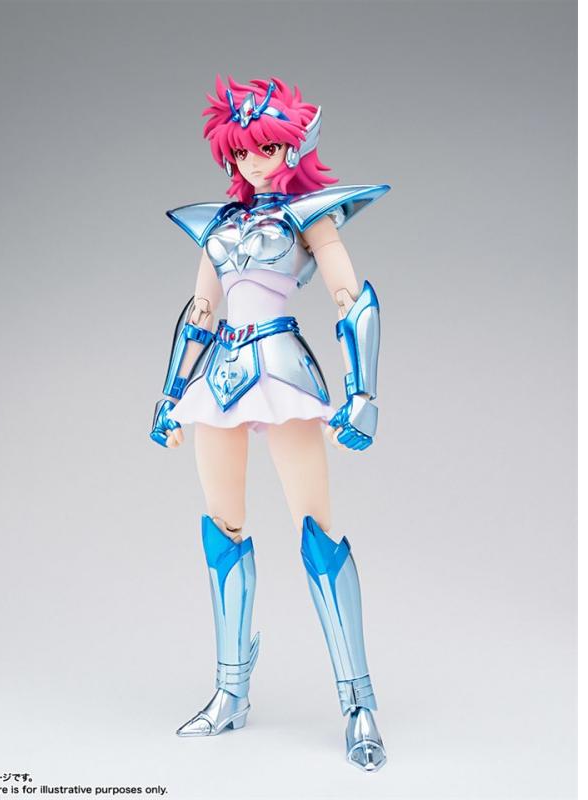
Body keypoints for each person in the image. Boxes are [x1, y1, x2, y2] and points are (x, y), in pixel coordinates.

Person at [150, 76, 389, 772]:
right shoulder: (219, 225)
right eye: (245, 150)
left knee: (318, 535)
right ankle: (231, 693)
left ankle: (359, 704)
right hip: (220, 377)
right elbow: (200, 312)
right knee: (221, 531)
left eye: (270, 147)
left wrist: (363, 393)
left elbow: (352, 298)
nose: (256, 161)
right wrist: (169, 394)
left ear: (293, 147)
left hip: (282, 372)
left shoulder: (309, 217)